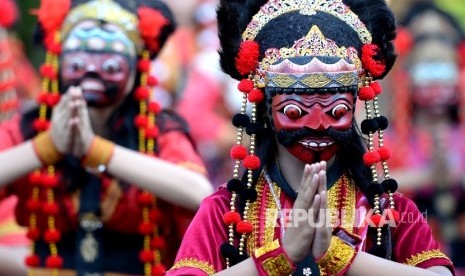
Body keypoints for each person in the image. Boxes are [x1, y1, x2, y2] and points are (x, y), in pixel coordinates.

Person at [167, 0, 455, 275]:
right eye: (294, 112)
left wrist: (337, 255)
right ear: (266, 108)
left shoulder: (387, 208)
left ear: (354, 104)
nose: (318, 124)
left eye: (337, 110)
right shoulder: (226, 209)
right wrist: (280, 256)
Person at [0, 0, 212, 275]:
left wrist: (95, 150)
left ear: (137, 67)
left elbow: (199, 192)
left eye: (110, 61)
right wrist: (48, 146)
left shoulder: (157, 131)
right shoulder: (32, 128)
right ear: (59, 59)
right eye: (79, 57)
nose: (92, 69)